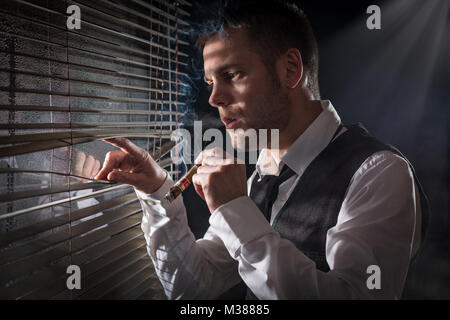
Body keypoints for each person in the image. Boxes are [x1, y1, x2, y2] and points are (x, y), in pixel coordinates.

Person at [95, 0, 428, 299]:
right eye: (211, 82)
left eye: (232, 74)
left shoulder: (379, 173)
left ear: (290, 70)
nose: (214, 99)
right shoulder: (262, 173)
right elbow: (194, 286)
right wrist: (157, 190)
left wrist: (235, 208)